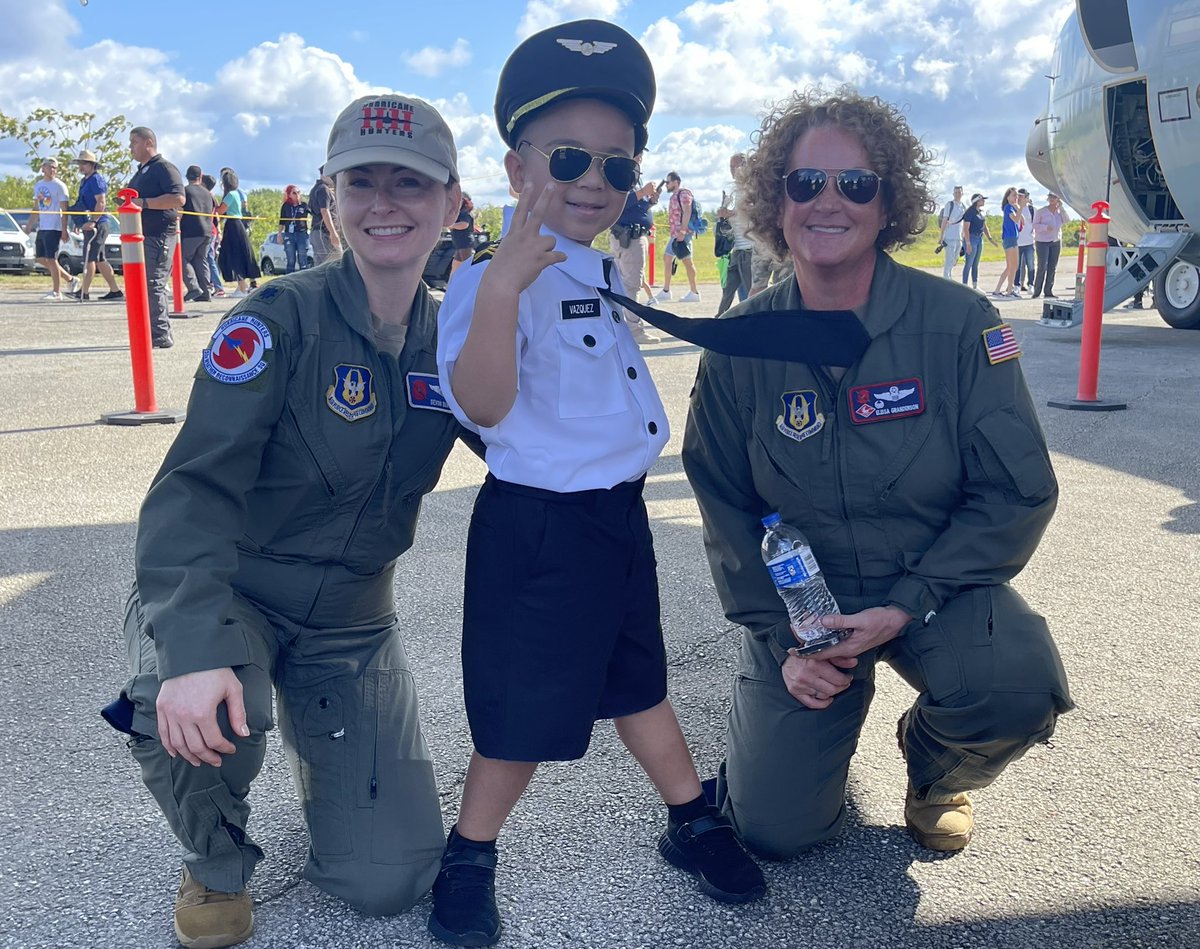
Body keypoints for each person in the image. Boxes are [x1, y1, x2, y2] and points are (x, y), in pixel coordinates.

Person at [101, 93, 468, 949]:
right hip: (238, 590)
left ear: (452, 203)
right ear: (328, 196)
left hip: (351, 620)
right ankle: (214, 858)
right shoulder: (276, 320)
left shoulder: (457, 338)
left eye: (409, 184)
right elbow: (191, 492)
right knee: (186, 701)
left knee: (388, 883)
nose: (384, 204)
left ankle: (325, 752)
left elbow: (540, 455)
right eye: (361, 182)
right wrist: (190, 647)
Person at [432, 19, 765, 947]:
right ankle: (468, 854)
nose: (593, 182)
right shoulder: (485, 280)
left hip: (614, 522)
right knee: (518, 711)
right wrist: (501, 289)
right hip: (537, 528)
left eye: (617, 167)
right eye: (569, 157)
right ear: (514, 169)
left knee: (638, 680)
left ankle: (690, 818)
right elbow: (484, 405)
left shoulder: (595, 263)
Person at [682, 88, 1072, 863]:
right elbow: (723, 501)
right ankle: (793, 724)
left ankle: (935, 771)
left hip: (929, 586)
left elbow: (1016, 490)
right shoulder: (739, 341)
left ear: (888, 202)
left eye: (855, 184)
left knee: (1015, 687)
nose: (829, 201)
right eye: (806, 183)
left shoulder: (961, 326)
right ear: (775, 198)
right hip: (806, 609)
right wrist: (783, 639)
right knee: (772, 830)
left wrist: (907, 603)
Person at [126, 127, 185, 348]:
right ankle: (146, 331)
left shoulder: (164, 168)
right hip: (141, 235)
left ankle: (160, 334)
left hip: (159, 236)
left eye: (134, 142)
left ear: (149, 142)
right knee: (142, 284)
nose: (130, 147)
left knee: (153, 284)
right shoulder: (142, 171)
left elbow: (179, 199)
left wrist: (145, 203)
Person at [67, 149, 123, 302]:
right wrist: (78, 221)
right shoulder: (85, 181)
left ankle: (83, 292)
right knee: (99, 259)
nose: (81, 166)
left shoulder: (96, 180)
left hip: (99, 224)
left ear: (92, 165)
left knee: (90, 258)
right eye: (80, 163)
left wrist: (93, 221)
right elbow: (81, 203)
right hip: (92, 222)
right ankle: (115, 291)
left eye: (84, 163)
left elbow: (101, 202)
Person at [610, 180, 662, 340]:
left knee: (627, 283)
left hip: (635, 236)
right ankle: (634, 330)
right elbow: (618, 204)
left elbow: (636, 208)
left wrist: (650, 201)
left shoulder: (634, 180)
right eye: (637, 155)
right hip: (628, 237)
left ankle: (625, 326)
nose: (640, 158)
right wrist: (641, 193)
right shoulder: (620, 178)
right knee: (632, 284)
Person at [28, 157, 78, 301]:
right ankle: (70, 279)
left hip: (54, 226)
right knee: (41, 258)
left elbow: (65, 209)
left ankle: (57, 292)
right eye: (50, 166)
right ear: (43, 168)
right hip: (43, 226)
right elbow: (37, 207)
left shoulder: (60, 186)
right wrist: (30, 225)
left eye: (55, 167)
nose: (52, 170)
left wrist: (64, 229)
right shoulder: (38, 185)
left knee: (52, 258)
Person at [716, 153, 754, 315]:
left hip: (749, 247)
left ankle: (754, 321)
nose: (733, 170)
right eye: (731, 167)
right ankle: (719, 319)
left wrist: (731, 213)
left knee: (751, 290)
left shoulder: (752, 188)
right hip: (736, 249)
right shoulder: (733, 191)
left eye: (736, 166)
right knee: (728, 289)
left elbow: (754, 214)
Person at [655, 171, 701, 302]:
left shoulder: (684, 194)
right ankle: (666, 290)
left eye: (668, 182)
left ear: (676, 182)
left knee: (687, 261)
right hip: (675, 234)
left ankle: (694, 292)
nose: (666, 185)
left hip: (682, 234)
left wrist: (682, 231)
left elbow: (687, 212)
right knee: (667, 257)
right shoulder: (674, 196)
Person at [216, 169, 261, 297]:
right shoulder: (236, 194)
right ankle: (242, 286)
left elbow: (220, 211)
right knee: (240, 253)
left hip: (232, 225)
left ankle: (242, 287)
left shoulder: (230, 195)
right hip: (238, 224)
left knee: (234, 254)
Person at [180, 165, 215, 302]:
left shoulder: (185, 191)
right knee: (201, 259)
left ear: (187, 177)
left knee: (182, 259)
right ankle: (205, 292)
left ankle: (193, 287)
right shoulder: (208, 193)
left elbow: (180, 210)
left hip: (191, 231)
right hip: (206, 231)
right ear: (200, 177)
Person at [1032, 192, 1068, 299]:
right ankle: (1037, 290)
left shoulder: (1059, 212)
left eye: (1055, 197)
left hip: (1055, 241)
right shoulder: (1041, 211)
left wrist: (1061, 208)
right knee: (1042, 266)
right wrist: (1045, 227)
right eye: (1050, 197)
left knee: (1052, 267)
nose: (1052, 199)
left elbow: (1066, 220)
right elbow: (1034, 225)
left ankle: (1048, 290)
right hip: (1042, 241)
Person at [991, 187, 1022, 298]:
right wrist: (1020, 208)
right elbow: (1016, 219)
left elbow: (1022, 220)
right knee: (1011, 266)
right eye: (1014, 195)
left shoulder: (1013, 207)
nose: (1016, 197)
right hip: (1009, 238)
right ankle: (1008, 290)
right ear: (1008, 197)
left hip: (1013, 238)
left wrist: (1019, 207)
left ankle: (1003, 289)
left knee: (1013, 266)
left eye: (1017, 195)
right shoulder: (1008, 207)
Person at [960, 193, 994, 289]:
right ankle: (964, 286)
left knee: (976, 264)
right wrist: (968, 243)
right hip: (971, 238)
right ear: (976, 201)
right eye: (982, 199)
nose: (984, 201)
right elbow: (966, 229)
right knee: (969, 263)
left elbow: (984, 226)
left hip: (979, 238)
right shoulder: (970, 212)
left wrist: (989, 237)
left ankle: (975, 285)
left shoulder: (981, 212)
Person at [309, 170, 342, 264]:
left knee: (320, 267)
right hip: (324, 233)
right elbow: (324, 211)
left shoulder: (316, 189)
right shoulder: (323, 190)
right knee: (334, 263)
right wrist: (333, 233)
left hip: (317, 232)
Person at [202, 173, 226, 297]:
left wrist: (219, 231)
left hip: (210, 231)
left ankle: (218, 287)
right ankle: (211, 284)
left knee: (209, 258)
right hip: (212, 231)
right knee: (207, 258)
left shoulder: (208, 197)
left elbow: (216, 216)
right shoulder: (211, 197)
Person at [278, 185, 311, 273]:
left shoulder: (304, 205)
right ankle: (288, 283)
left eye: (298, 192)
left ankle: (304, 282)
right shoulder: (286, 206)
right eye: (294, 193)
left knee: (303, 261)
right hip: (289, 234)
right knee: (291, 261)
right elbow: (281, 221)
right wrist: (279, 234)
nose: (297, 194)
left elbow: (314, 214)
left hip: (302, 235)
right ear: (289, 195)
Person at [937, 185, 965, 280]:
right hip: (949, 236)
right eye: (956, 192)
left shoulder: (963, 206)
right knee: (949, 259)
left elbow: (964, 223)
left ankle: (949, 275)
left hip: (959, 237)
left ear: (962, 193)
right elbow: (945, 220)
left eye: (959, 192)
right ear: (953, 194)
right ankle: (946, 278)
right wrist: (941, 236)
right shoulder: (949, 205)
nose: (957, 194)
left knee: (954, 259)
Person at [449, 192, 475, 275]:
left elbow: (464, 225)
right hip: (460, 244)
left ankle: (469, 284)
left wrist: (452, 225)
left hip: (465, 243)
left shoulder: (465, 212)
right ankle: (451, 285)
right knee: (455, 265)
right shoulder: (460, 213)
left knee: (467, 266)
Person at [1016, 188, 1035, 290]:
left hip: (1029, 242)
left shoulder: (1032, 210)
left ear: (1027, 198)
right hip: (1017, 242)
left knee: (1030, 264)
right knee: (1017, 266)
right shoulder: (1015, 208)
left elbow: (1035, 224)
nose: (1019, 198)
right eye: (1018, 196)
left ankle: (1031, 284)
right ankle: (1017, 285)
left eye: (1021, 196)